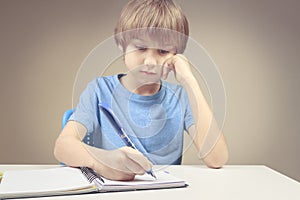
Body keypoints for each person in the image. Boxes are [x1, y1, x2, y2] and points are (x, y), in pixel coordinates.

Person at [54, 0, 228, 181]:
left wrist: (189, 81)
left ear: (177, 54)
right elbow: (63, 147)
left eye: (162, 51)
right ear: (122, 44)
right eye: (141, 48)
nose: (150, 62)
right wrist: (103, 161)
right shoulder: (99, 90)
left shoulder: (180, 97)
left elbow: (217, 158)